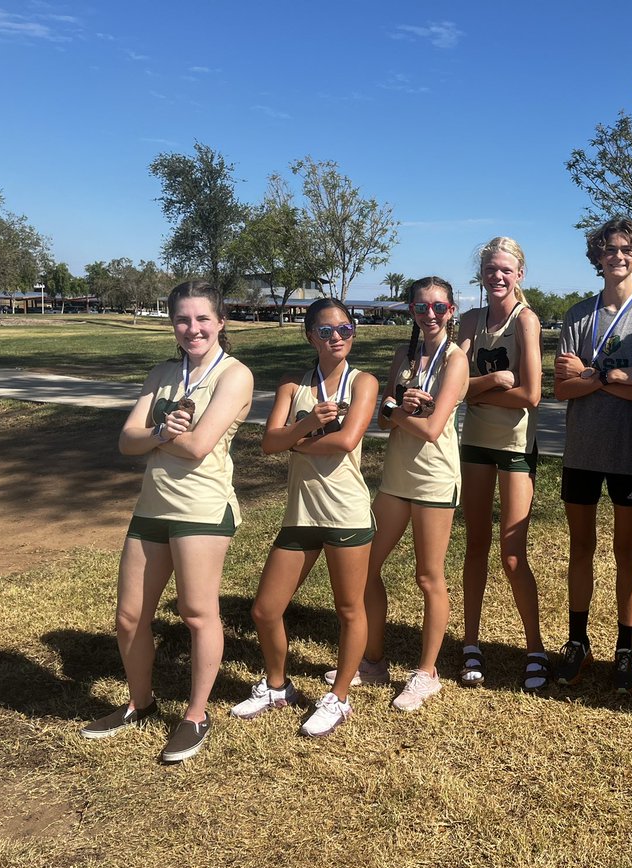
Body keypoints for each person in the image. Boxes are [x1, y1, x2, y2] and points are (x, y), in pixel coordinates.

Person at [80, 281, 253, 763]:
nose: (192, 328)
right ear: (172, 323)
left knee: (197, 613)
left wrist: (151, 436)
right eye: (182, 319)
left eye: (202, 319)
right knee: (130, 616)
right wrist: (159, 431)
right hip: (152, 505)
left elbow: (198, 448)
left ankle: (196, 716)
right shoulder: (161, 372)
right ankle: (140, 700)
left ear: (221, 322)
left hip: (202, 508)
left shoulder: (235, 375)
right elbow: (125, 441)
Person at [229, 299, 378, 738]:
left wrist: (294, 440)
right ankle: (278, 686)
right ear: (309, 335)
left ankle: (340, 697)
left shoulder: (363, 382)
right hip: (302, 513)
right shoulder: (294, 385)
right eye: (327, 331)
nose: (337, 338)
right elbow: (267, 443)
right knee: (264, 609)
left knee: (349, 609)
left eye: (346, 329)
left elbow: (347, 441)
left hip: (346, 512)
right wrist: (307, 424)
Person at [553, 217, 632, 692]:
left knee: (628, 552)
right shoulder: (578, 315)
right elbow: (562, 388)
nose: (616, 256)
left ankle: (626, 649)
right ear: (597, 257)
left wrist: (596, 376)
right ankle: (577, 642)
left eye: (625, 249)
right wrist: (624, 375)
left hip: (628, 452)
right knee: (580, 548)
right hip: (581, 450)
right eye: (608, 249)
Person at [363, 277, 469, 711]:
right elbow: (382, 422)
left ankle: (427, 673)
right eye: (422, 307)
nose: (430, 315)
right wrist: (396, 409)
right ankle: (372, 660)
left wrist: (397, 409)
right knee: (365, 565)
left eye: (438, 307)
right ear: (410, 310)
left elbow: (431, 429)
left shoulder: (456, 360)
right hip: (396, 477)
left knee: (428, 576)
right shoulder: (403, 355)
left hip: (433, 477)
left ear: (452, 310)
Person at [457, 237, 548, 691]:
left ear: (520, 275)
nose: (497, 276)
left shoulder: (526, 321)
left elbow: (531, 395)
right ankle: (470, 643)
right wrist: (493, 379)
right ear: (482, 274)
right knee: (476, 546)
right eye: (490, 269)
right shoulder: (470, 321)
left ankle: (535, 648)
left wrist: (476, 389)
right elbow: (452, 387)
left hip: (514, 447)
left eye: (505, 270)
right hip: (474, 443)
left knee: (512, 556)